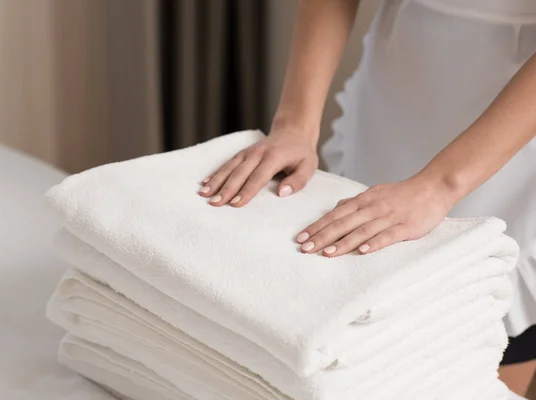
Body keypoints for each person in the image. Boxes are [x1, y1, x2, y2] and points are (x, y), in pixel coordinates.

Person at [197, 0, 536, 396]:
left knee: (480, 351)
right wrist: (295, 124)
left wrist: (438, 185)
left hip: (517, 134)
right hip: (397, 84)